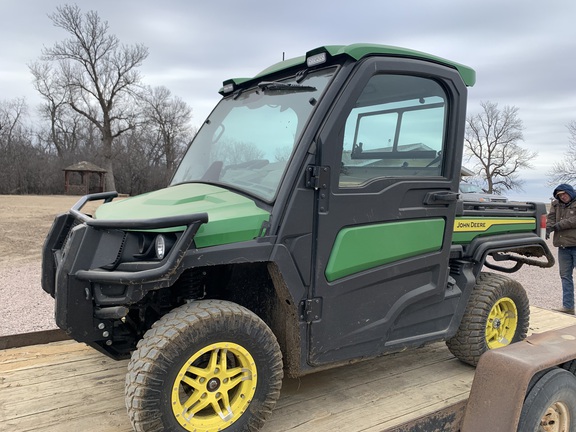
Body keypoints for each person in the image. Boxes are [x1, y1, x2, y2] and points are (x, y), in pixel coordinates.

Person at [547, 183, 576, 314]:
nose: (563, 197)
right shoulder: (556, 204)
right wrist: (547, 229)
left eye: (564, 194)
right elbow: (551, 219)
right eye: (560, 195)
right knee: (565, 276)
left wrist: (559, 225)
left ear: (570, 192)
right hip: (563, 247)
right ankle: (568, 307)